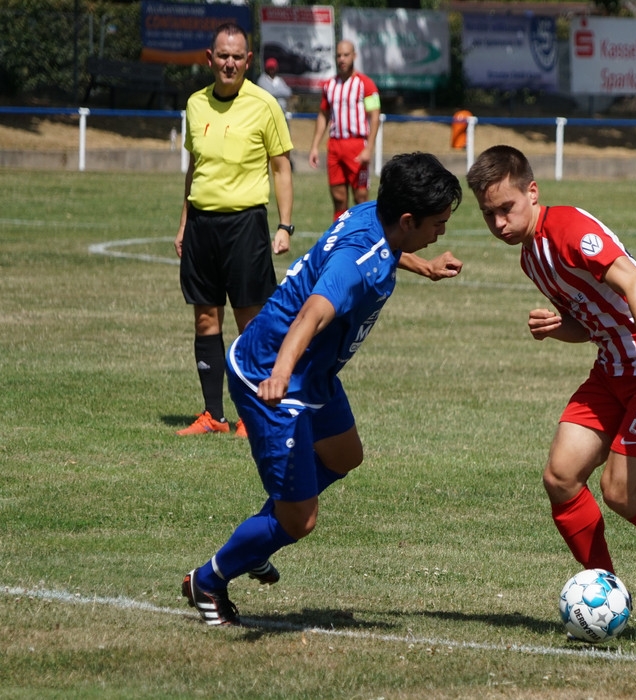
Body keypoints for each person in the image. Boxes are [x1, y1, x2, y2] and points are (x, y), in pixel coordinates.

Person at [181, 152, 464, 626]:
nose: (442, 231)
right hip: (273, 378)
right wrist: (280, 373)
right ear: (408, 219)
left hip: (312, 373)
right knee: (300, 520)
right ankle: (208, 580)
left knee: (344, 454)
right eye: (437, 224)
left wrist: (426, 266)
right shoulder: (355, 266)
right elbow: (312, 313)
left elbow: (387, 249)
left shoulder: (372, 214)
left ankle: (261, 538)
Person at [466, 145, 636, 627]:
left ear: (532, 192)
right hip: (612, 370)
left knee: (619, 492)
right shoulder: (531, 257)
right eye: (489, 214)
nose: (500, 223)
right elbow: (592, 321)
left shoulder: (569, 229)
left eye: (507, 208)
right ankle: (605, 593)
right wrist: (558, 327)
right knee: (561, 477)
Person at [174, 22, 294, 438]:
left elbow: (281, 167)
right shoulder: (194, 104)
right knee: (205, 318)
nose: (229, 63)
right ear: (210, 59)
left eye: (237, 57)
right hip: (202, 225)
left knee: (251, 323)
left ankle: (253, 415)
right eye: (222, 56)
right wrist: (184, 223)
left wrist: (284, 225)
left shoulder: (265, 104)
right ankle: (214, 416)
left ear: (248, 60)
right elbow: (194, 168)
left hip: (245, 224)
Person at [308, 40, 380, 222]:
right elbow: (323, 115)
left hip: (356, 145)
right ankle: (340, 235)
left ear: (354, 56)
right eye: (338, 55)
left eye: (346, 55)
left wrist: (369, 148)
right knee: (338, 198)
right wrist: (315, 146)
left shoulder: (366, 84)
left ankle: (364, 234)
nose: (342, 59)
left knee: (361, 197)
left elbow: (375, 116)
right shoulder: (329, 85)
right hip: (335, 145)